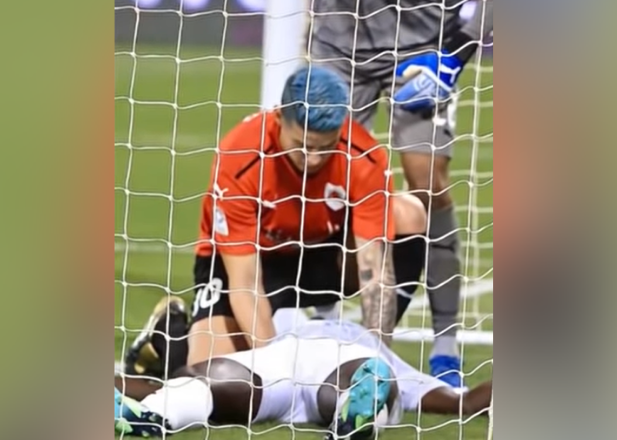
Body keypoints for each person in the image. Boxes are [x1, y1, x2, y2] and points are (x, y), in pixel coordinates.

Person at [125, 65, 429, 371]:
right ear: (279, 118)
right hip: (249, 263)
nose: (313, 159)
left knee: (408, 213)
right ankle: (168, 336)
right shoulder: (240, 158)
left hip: (320, 254)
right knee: (215, 372)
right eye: (303, 146)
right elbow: (245, 282)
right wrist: (276, 373)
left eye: (325, 148)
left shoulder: (364, 157)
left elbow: (374, 272)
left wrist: (374, 363)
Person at [307, 0, 494, 388]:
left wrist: (459, 51)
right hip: (340, 44)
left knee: (426, 180)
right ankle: (322, 317)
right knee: (325, 174)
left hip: (423, 47)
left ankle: (445, 343)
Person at [114, 296, 492, 438]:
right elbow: (467, 402)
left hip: (281, 358)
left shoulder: (289, 319)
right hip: (351, 361)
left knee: (205, 382)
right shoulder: (375, 348)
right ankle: (357, 412)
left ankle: (157, 415)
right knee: (367, 382)